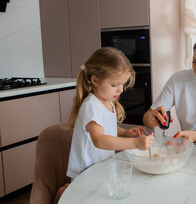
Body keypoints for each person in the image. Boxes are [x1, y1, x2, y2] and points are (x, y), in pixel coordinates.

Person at [66, 47, 154, 179]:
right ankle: (64, 191)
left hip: (101, 166)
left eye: (123, 84)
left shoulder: (108, 101)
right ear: (95, 80)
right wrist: (135, 143)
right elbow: (100, 140)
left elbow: (105, 126)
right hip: (85, 173)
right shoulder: (91, 105)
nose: (121, 90)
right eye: (114, 85)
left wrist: (125, 132)